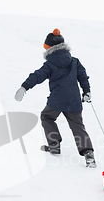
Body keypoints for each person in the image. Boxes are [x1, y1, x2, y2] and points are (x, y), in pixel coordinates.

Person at [15, 28, 96, 168]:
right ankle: (88, 153)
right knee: (77, 126)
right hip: (74, 100)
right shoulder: (74, 61)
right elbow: (83, 77)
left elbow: (37, 76)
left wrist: (24, 87)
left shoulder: (50, 64)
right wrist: (86, 91)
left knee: (47, 117)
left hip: (57, 99)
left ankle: (54, 145)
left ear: (48, 48)